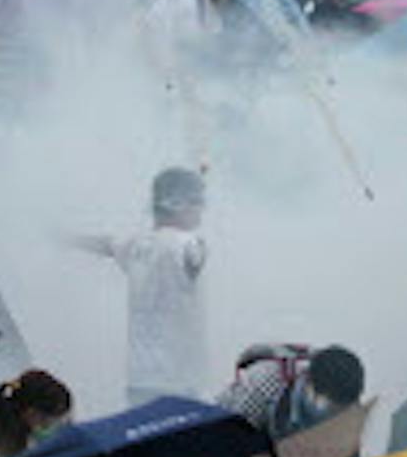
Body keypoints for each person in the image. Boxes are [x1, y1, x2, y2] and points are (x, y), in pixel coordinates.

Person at [75, 168, 209, 406]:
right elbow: (196, 255)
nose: (202, 208)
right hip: (178, 381)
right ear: (176, 202)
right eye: (197, 201)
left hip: (139, 379)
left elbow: (106, 244)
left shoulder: (137, 245)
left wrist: (61, 237)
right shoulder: (184, 243)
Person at [216, 343, 367, 442]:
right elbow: (225, 442)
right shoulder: (265, 384)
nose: (331, 416)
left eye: (338, 410)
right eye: (329, 406)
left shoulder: (347, 404)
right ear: (308, 381)